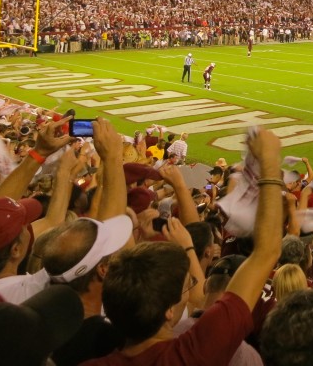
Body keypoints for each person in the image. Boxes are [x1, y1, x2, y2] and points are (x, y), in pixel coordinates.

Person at [86, 128, 283, 365]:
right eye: (187, 284)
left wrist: (111, 161)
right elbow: (266, 252)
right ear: (169, 312)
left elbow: (110, 231)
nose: (192, 286)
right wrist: (269, 164)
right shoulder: (194, 352)